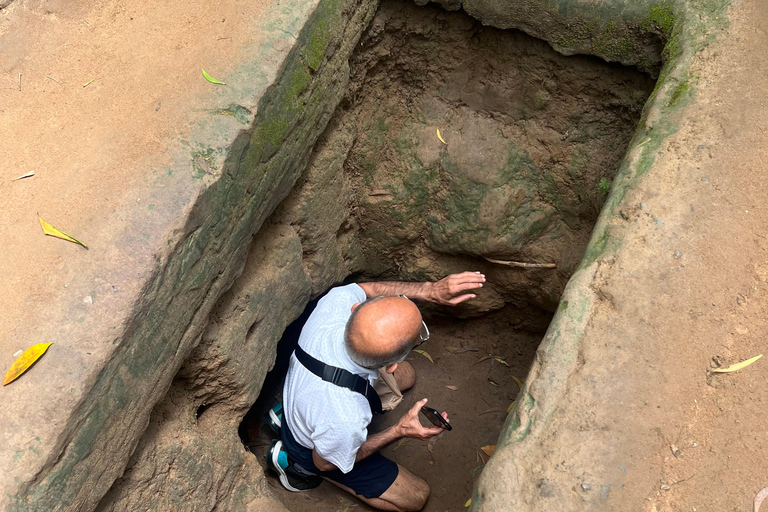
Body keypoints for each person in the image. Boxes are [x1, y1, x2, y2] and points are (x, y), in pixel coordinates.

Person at [265, 272, 486, 512]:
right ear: (389, 366)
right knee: (416, 497)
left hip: (308, 387)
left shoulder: (334, 302)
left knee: (408, 375)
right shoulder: (347, 417)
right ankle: (294, 463)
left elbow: (365, 288)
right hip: (317, 450)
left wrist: (429, 291)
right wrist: (398, 430)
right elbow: (325, 463)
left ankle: (290, 415)